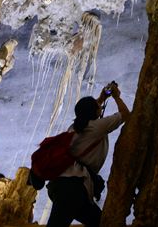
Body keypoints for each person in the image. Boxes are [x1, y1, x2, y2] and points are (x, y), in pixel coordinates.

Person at [46, 81, 131, 227]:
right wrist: (116, 96)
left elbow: (87, 111)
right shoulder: (97, 127)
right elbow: (125, 115)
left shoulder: (74, 127)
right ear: (95, 112)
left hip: (65, 187)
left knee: (100, 222)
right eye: (98, 106)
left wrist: (101, 98)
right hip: (73, 189)